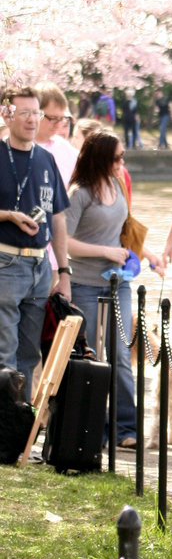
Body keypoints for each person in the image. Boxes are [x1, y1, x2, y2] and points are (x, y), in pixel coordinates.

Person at [65, 129, 164, 447]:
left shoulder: (118, 185)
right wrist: (104, 252)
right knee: (91, 354)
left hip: (118, 281)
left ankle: (126, 428)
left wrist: (146, 253)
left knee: (121, 353)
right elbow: (64, 242)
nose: (123, 163)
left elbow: (126, 228)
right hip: (84, 283)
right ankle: (93, 426)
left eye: (123, 157)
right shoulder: (79, 193)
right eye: (117, 157)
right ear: (100, 158)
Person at [0, 87, 72, 401]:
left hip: (39, 266)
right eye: (24, 112)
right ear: (8, 115)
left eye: (36, 113)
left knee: (29, 356)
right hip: (6, 262)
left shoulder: (46, 159)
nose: (32, 120)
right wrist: (9, 216)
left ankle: (18, 432)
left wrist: (65, 272)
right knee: (4, 354)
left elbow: (57, 218)